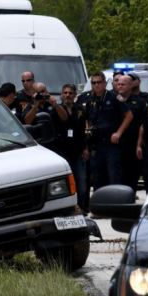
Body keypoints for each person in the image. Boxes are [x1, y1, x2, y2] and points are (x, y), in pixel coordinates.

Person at [85, 71, 133, 190]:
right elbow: (88, 120)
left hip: (111, 144)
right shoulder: (90, 100)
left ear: (105, 83)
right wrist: (88, 132)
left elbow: (129, 116)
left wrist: (119, 133)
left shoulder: (114, 98)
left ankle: (115, 205)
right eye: (94, 82)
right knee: (97, 177)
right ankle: (100, 205)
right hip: (96, 144)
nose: (97, 85)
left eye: (99, 82)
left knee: (114, 175)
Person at [58, 84, 89, 212]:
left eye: (70, 93)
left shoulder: (80, 109)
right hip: (62, 152)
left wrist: (86, 148)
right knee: (64, 184)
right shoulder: (57, 109)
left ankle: (81, 208)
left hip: (78, 151)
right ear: (61, 94)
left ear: (75, 95)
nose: (67, 95)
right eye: (65, 93)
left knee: (81, 182)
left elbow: (85, 130)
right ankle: (66, 209)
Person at [117, 75, 147, 193]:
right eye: (118, 84)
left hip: (132, 143)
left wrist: (139, 144)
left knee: (132, 175)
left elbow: (143, 124)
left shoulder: (140, 102)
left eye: (123, 84)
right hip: (116, 144)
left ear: (130, 85)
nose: (120, 86)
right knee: (116, 174)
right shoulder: (113, 100)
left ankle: (129, 199)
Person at [22, 82, 68, 154]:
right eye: (38, 92)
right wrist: (35, 106)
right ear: (34, 93)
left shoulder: (52, 103)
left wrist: (56, 105)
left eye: (43, 91)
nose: (41, 94)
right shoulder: (30, 106)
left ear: (46, 91)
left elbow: (64, 118)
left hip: (54, 143)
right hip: (37, 144)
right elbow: (27, 121)